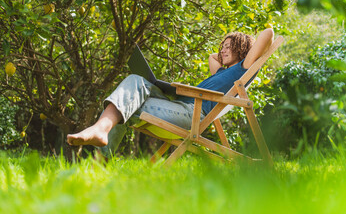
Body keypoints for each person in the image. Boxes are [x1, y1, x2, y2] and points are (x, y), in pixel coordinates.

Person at [67, 28, 274, 156]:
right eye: (223, 46)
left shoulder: (242, 70)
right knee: (135, 81)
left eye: (230, 46)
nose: (222, 50)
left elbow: (268, 34)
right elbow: (213, 56)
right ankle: (101, 134)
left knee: (128, 101)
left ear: (243, 49)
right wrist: (229, 50)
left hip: (191, 115)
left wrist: (244, 48)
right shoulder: (221, 73)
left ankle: (101, 152)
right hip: (179, 107)